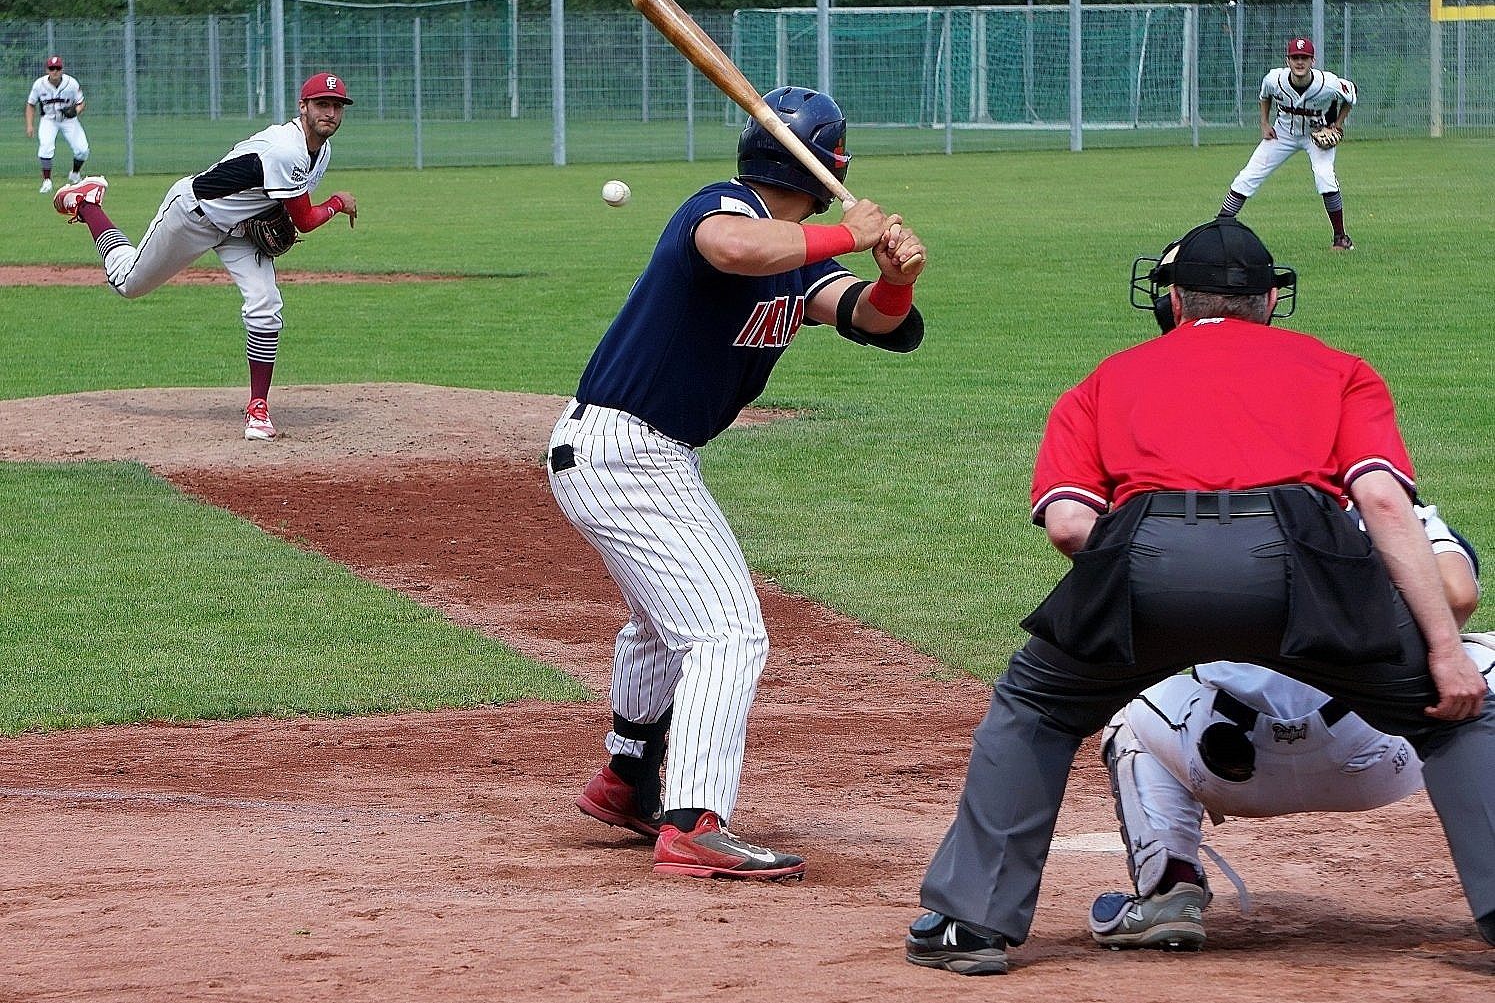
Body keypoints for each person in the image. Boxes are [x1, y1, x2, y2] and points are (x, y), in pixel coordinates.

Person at [905, 216, 1495, 976]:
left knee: (1037, 706)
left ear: (1174, 301)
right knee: (1460, 711)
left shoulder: (1105, 378)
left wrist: (1154, 566)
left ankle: (970, 924)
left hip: (1146, 558)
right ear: (1269, 300)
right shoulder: (1337, 367)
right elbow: (1382, 504)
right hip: (1304, 568)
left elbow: (1067, 524)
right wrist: (1444, 654)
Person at [547, 85, 926, 882]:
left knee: (663, 624)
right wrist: (842, 232)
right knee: (727, 634)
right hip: (629, 449)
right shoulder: (726, 206)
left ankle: (625, 779)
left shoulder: (794, 261)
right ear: (830, 166)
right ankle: (692, 822)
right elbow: (730, 248)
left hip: (636, 454)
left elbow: (873, 321)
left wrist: (894, 278)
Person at [1090, 507, 1493, 951]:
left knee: (1135, 707)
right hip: (1380, 754)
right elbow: (1457, 596)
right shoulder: (1384, 512)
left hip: (1228, 763)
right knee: (1481, 664)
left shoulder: (1194, 523)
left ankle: (1169, 889)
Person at [49, 73, 358, 441]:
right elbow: (305, 220)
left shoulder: (321, 151)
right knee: (127, 283)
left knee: (265, 304)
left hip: (240, 229)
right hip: (195, 213)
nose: (331, 112)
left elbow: (283, 205)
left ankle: (258, 408)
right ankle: (86, 202)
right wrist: (338, 203)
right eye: (322, 104)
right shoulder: (287, 148)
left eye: (337, 106)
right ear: (302, 106)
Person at [1218, 37, 1358, 251]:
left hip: (1317, 134)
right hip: (1283, 133)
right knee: (1249, 175)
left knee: (1325, 177)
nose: (1299, 62)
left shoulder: (1328, 83)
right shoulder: (1275, 79)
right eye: (1295, 58)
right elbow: (1264, 96)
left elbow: (1351, 95)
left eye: (1304, 57)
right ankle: (1219, 227)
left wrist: (1337, 124)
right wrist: (1264, 124)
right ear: (1288, 60)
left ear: (1313, 60)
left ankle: (1340, 238)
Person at [25, 55, 90, 194]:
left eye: (58, 68)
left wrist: (76, 110)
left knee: (83, 150)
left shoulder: (71, 83)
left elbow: (81, 102)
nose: (55, 71)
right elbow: (31, 105)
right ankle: (47, 181)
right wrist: (30, 125)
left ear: (62, 70)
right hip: (49, 119)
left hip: (68, 120)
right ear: (47, 70)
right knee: (46, 147)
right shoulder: (39, 84)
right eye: (52, 68)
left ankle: (75, 173)